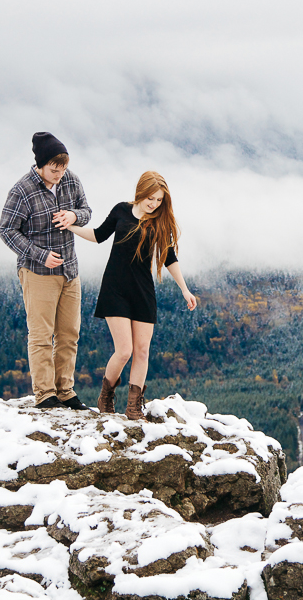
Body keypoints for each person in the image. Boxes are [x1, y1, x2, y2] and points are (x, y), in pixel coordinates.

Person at [64, 171, 197, 420]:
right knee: (124, 350)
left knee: (142, 350)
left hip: (142, 291)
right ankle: (106, 396)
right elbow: (98, 235)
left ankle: (134, 407)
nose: (154, 204)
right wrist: (71, 226)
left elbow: (169, 258)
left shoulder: (160, 221)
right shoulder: (121, 211)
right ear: (141, 192)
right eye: (151, 198)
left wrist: (184, 289)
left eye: (159, 200)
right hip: (115, 288)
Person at [0, 132, 91, 410]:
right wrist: (39, 255)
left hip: (70, 271)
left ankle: (66, 391)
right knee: (41, 335)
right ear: (40, 164)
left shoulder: (71, 180)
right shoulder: (22, 190)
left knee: (69, 333)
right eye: (54, 170)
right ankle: (46, 394)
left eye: (62, 169)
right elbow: (6, 230)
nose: (59, 175)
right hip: (37, 273)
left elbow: (86, 210)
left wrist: (74, 216)